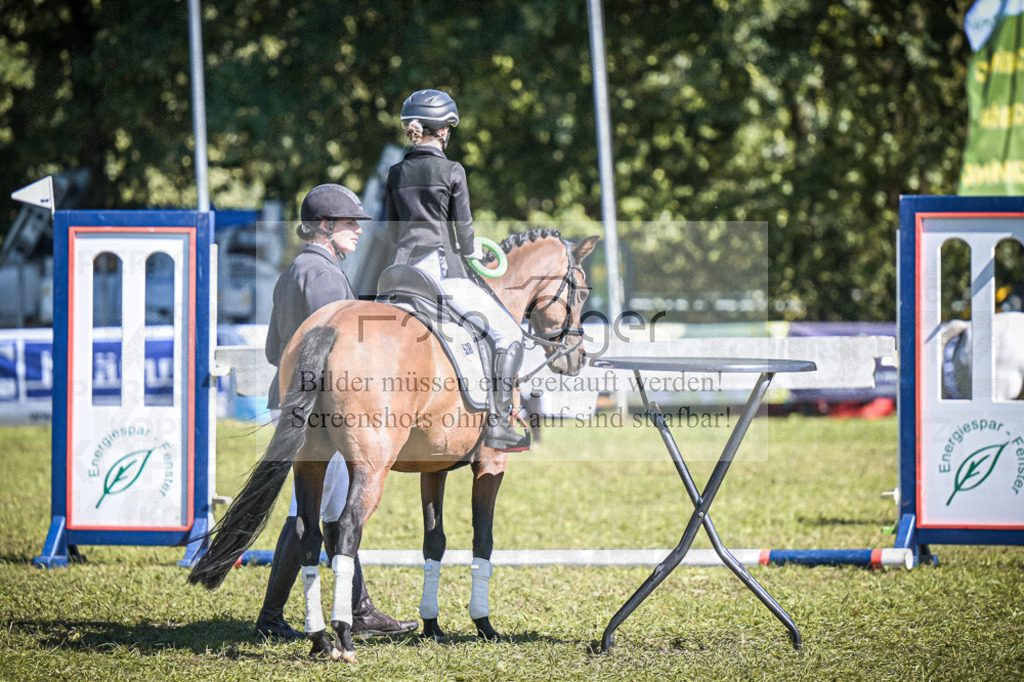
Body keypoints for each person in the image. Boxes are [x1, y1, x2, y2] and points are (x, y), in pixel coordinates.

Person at [255, 183, 418, 640]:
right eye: (349, 224)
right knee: (316, 510)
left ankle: (359, 608)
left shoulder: (294, 271)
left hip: (290, 398)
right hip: (318, 408)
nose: (357, 233)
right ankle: (271, 618)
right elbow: (342, 357)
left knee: (333, 508)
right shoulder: (326, 276)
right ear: (324, 226)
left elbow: (274, 350)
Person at [385, 88, 529, 452]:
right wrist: (470, 250)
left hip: (398, 275)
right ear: (444, 130)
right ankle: (498, 424)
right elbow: (463, 233)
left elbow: (391, 230)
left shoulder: (396, 172)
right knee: (510, 335)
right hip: (439, 272)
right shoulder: (451, 170)